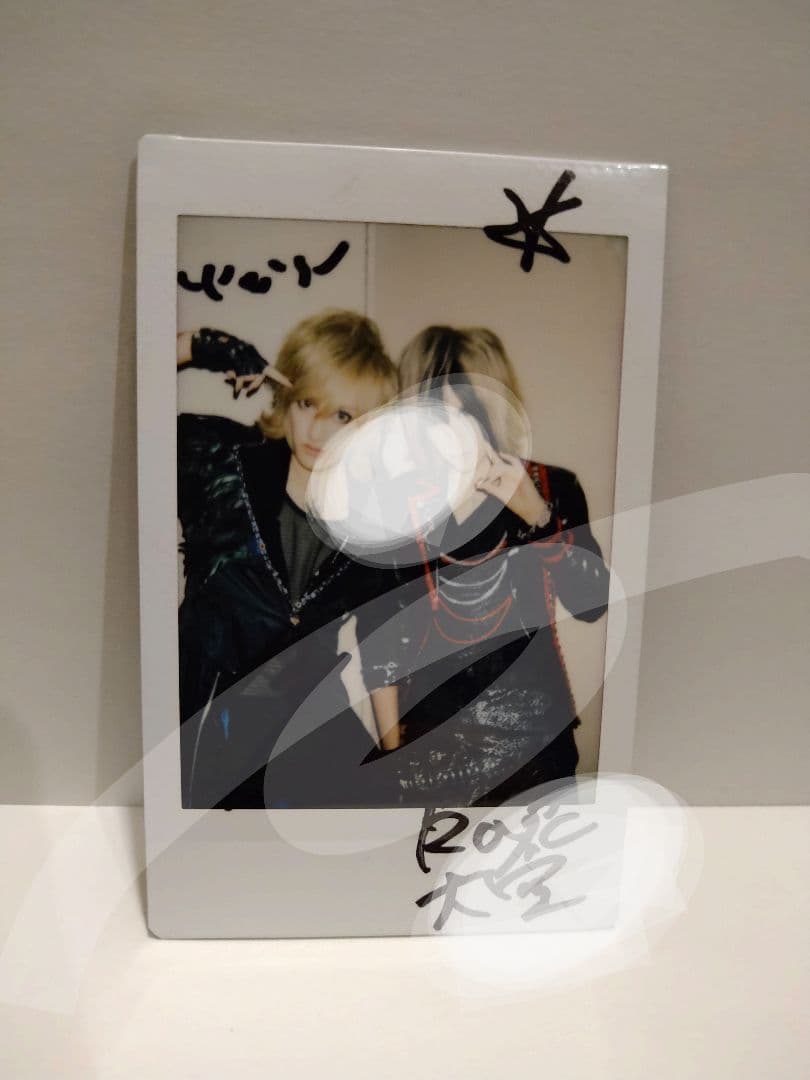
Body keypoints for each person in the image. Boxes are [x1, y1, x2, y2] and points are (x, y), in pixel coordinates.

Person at [356, 325, 610, 807]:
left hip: (537, 748)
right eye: (434, 414)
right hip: (431, 747)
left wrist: (538, 516)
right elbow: (380, 646)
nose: (450, 431)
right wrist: (393, 755)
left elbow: (592, 605)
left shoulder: (549, 487)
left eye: (467, 411)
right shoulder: (397, 507)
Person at [176, 311, 400, 809]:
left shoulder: (374, 524)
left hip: (316, 740)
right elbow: (129, 408)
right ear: (286, 397)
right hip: (210, 728)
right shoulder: (222, 462)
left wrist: (395, 759)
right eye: (307, 403)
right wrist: (203, 346)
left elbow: (381, 649)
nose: (317, 429)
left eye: (342, 416)